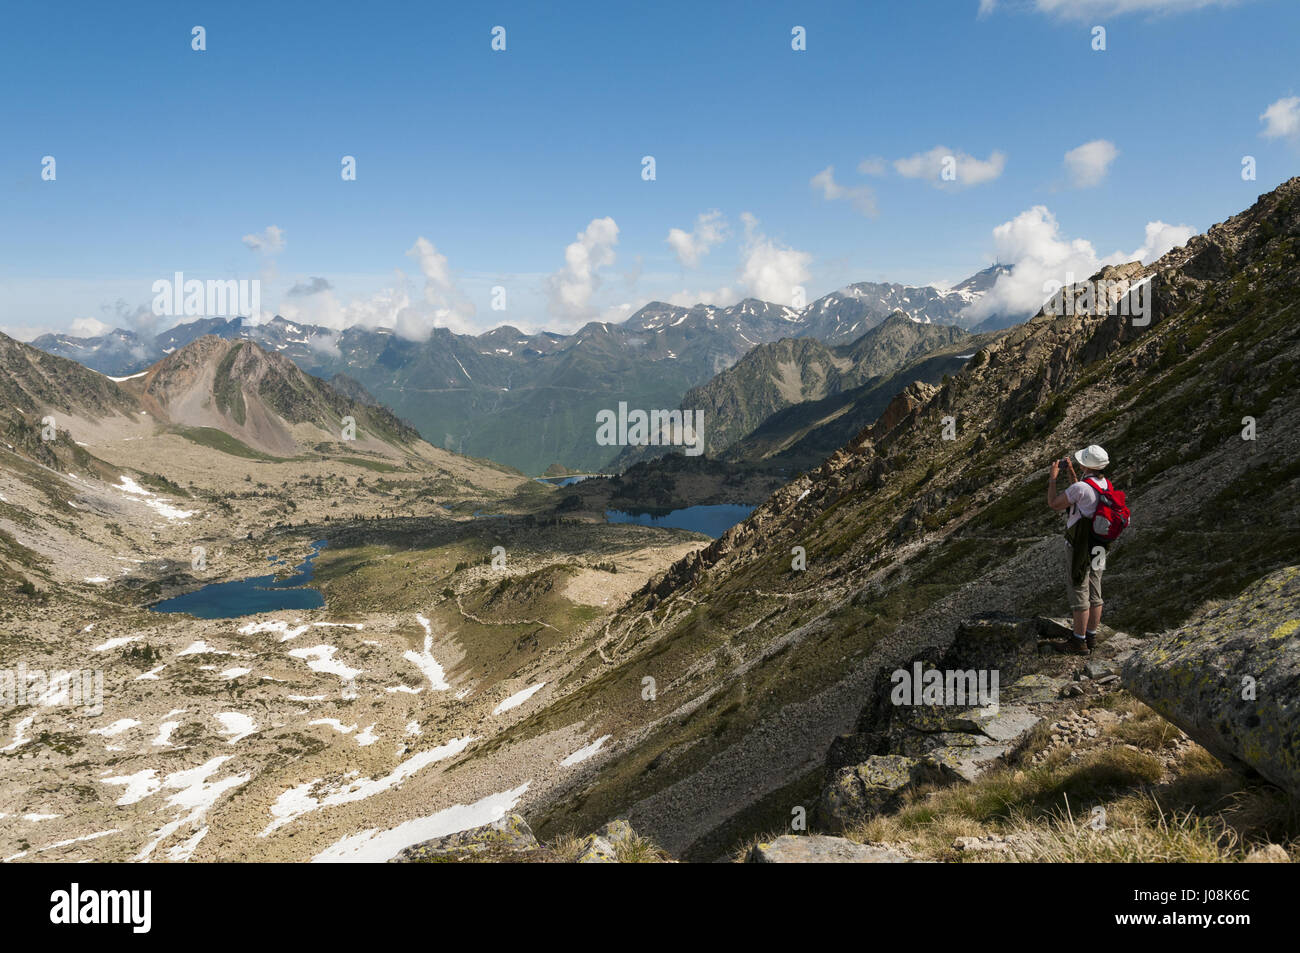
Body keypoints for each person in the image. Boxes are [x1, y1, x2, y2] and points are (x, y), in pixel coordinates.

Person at [1046, 444, 1111, 655]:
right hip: (1100, 542)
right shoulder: (1105, 484)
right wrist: (1073, 474)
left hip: (1080, 545)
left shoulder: (1080, 488)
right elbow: (1084, 497)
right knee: (1095, 587)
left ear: (1086, 464)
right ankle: (1091, 636)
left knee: (1079, 587)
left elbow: (1054, 504)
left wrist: (1053, 479)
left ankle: (1078, 641)